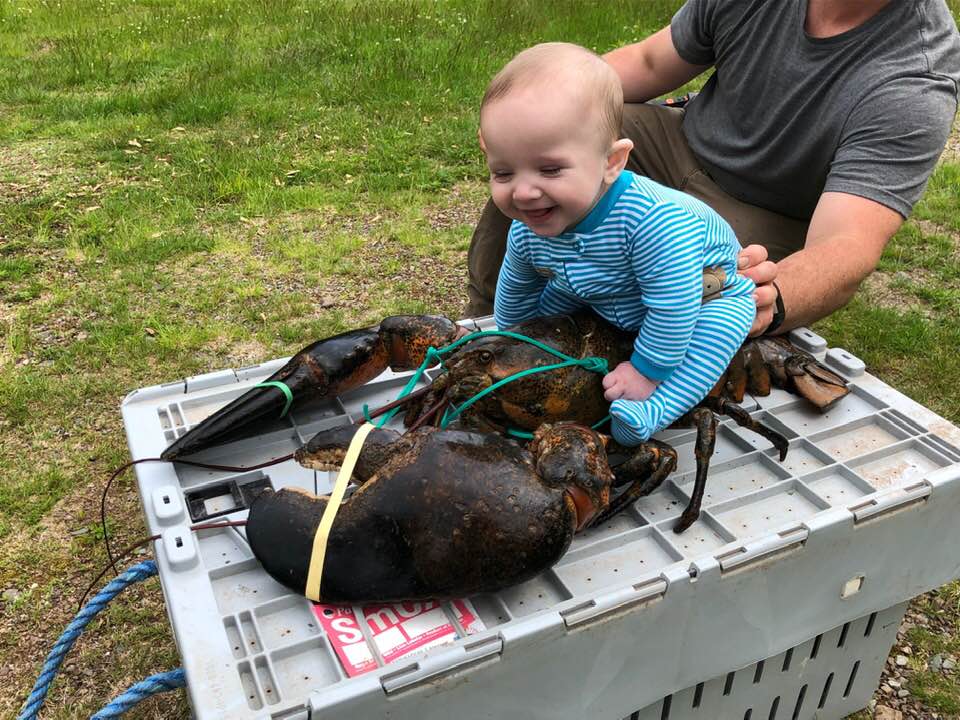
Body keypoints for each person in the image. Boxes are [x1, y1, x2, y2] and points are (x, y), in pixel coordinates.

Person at [466, 0, 960, 338]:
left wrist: (771, 299)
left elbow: (845, 245)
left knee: (680, 305)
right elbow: (650, 62)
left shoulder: (915, 79)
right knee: (537, 166)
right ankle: (489, 325)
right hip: (676, 143)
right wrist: (532, 111)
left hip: (763, 214)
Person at [481, 43, 756, 445]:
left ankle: (653, 409)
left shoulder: (653, 221)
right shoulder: (530, 226)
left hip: (701, 292)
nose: (522, 192)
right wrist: (514, 341)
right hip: (607, 283)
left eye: (550, 169)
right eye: (503, 173)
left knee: (713, 335)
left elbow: (672, 307)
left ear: (612, 162)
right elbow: (517, 288)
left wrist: (645, 370)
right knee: (551, 305)